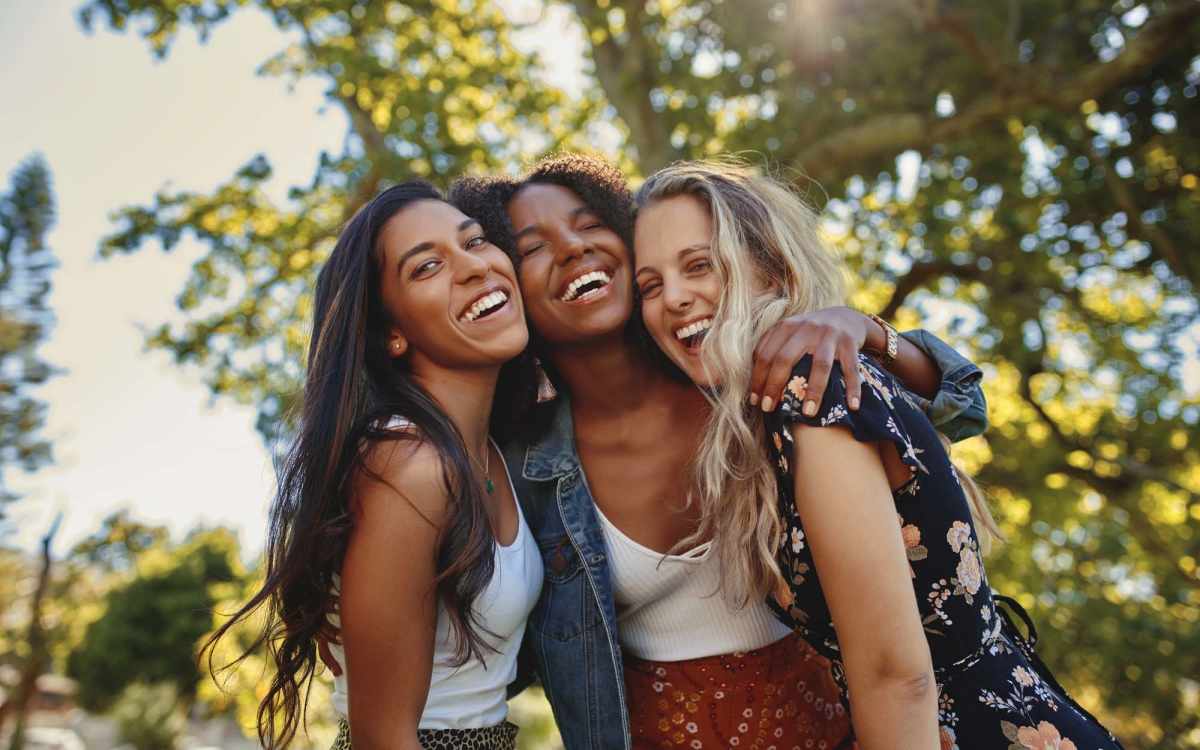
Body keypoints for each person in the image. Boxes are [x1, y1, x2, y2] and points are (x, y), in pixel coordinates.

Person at [448, 153, 991, 749]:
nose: (573, 248)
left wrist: (864, 329)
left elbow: (957, 410)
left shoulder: (744, 371)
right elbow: (496, 644)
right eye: (532, 247)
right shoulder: (521, 469)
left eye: (588, 224)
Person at [632, 159, 1124, 749]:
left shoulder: (813, 391)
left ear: (774, 271)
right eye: (651, 285)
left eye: (699, 266)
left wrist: (866, 329)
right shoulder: (769, 411)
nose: (676, 299)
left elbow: (898, 676)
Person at [204, 182, 542, 750]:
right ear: (391, 334)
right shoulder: (407, 465)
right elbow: (383, 738)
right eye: (427, 266)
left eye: (475, 241)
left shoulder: (492, 450)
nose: (473, 267)